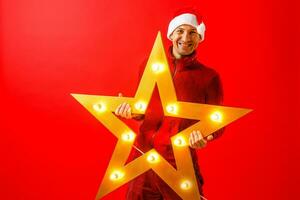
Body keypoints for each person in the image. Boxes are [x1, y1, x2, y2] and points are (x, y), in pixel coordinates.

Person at [115, 9, 224, 200]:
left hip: (178, 164)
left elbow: (218, 124)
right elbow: (143, 111)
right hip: (143, 161)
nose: (186, 37)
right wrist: (128, 111)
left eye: (192, 33)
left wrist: (204, 135)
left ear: (199, 37)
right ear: (171, 34)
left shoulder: (209, 77)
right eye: (180, 31)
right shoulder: (150, 66)